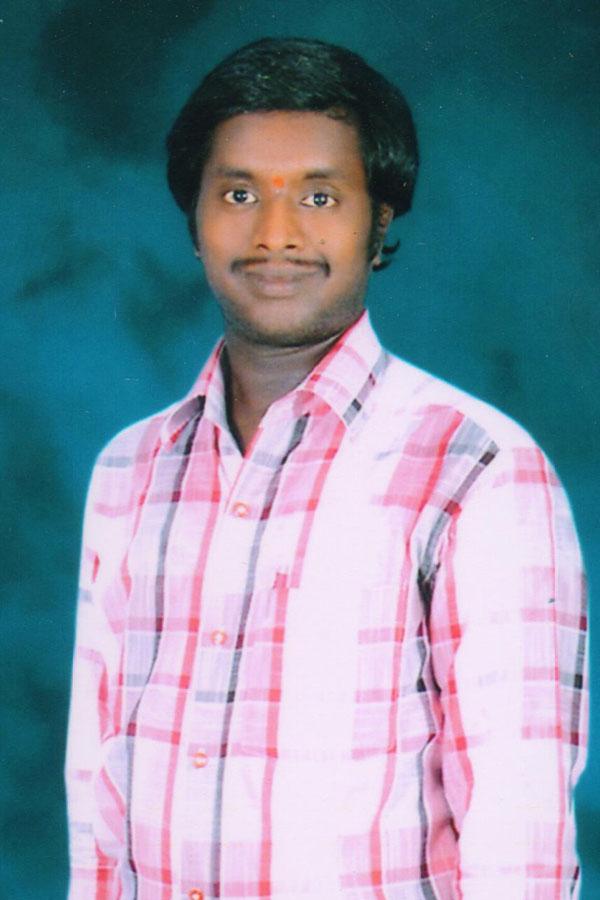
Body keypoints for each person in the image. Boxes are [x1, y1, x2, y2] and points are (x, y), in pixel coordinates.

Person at [65, 37, 588, 899]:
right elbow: (98, 791)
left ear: (379, 221)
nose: (276, 233)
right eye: (239, 193)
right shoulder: (131, 468)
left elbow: (518, 834)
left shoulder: (475, 469)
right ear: (193, 220)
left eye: (319, 195)